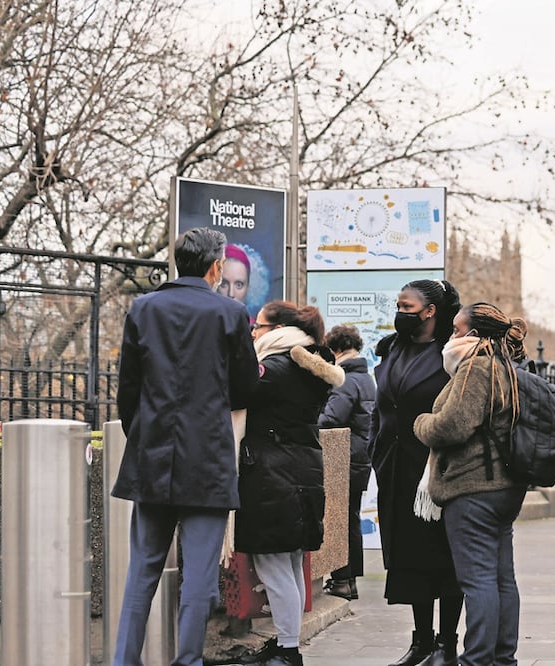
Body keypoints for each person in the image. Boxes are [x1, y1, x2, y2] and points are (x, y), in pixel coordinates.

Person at [112, 227, 259, 666]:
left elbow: (127, 391)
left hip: (152, 456)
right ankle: (188, 661)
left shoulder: (143, 308)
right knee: (198, 579)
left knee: (142, 571)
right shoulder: (230, 314)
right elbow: (246, 389)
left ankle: (124, 661)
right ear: (216, 267)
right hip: (208, 459)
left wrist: (147, 434)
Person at [413, 303, 531, 666]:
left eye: (456, 330)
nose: (450, 337)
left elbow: (452, 426)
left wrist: (421, 423)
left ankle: (478, 658)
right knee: (501, 579)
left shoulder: (476, 368)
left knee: (478, 580)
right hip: (505, 487)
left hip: (473, 487)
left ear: (474, 335)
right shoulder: (509, 369)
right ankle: (502, 657)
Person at [235, 300, 343, 666]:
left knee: (274, 565)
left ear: (277, 330)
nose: (253, 332)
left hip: (272, 476)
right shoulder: (308, 367)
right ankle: (286, 642)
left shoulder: (276, 368)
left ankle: (288, 650)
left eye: (258, 326)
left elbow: (236, 392)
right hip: (301, 472)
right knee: (292, 563)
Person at [371, 279, 465, 666]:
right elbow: (382, 408)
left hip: (433, 470)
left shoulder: (450, 354)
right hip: (395, 469)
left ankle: (446, 645)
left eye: (407, 306)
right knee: (408, 558)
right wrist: (375, 451)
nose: (400, 312)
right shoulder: (392, 349)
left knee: (441, 556)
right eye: (398, 305)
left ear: (430, 312)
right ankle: (421, 641)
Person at [319, 324, 377, 600]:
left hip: (343, 457)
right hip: (360, 457)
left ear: (336, 349)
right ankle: (349, 579)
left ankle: (341, 579)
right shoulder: (365, 377)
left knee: (337, 520)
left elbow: (332, 418)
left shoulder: (345, 379)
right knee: (351, 518)